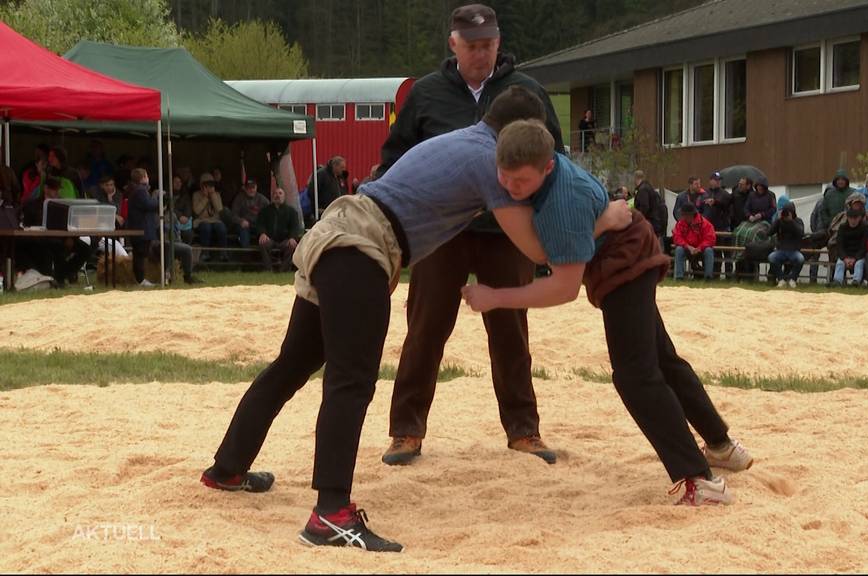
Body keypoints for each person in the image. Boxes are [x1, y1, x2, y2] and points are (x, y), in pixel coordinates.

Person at [200, 87, 613, 553]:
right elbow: (536, 250)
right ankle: (331, 514)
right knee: (350, 382)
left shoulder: (464, 140)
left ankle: (228, 468)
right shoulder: (489, 161)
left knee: (293, 363)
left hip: (338, 230)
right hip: (361, 247)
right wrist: (602, 220)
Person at [462, 119, 753, 508]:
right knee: (662, 360)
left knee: (635, 376)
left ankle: (700, 481)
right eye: (505, 177)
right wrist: (598, 223)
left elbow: (563, 288)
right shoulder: (541, 169)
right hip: (624, 253)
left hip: (623, 265)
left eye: (521, 181)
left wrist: (495, 297)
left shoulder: (561, 203)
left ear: (548, 167)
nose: (510, 187)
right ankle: (720, 446)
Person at [377, 4, 564, 467]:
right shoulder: (425, 94)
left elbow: (554, 159)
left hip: (507, 232)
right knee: (425, 328)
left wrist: (554, 228)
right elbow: (394, 159)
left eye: (488, 45)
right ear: (453, 44)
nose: (481, 54)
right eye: (472, 46)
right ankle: (406, 431)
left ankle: (524, 430)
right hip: (441, 232)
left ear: (499, 43)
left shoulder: (528, 93)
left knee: (511, 331)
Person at [18, 176, 90, 287]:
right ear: (46, 189)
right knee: (53, 247)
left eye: (58, 189)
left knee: (86, 248)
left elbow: (69, 223)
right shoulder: (32, 205)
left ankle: (63, 274)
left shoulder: (63, 205)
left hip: (62, 237)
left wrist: (71, 237)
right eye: (54, 189)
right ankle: (56, 277)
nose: (57, 192)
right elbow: (27, 226)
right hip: (41, 239)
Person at [125, 168, 161, 287]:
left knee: (140, 254)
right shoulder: (140, 191)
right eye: (147, 176)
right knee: (140, 254)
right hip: (141, 228)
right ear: (143, 178)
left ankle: (141, 279)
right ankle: (140, 279)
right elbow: (149, 205)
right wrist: (156, 198)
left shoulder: (136, 190)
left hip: (140, 227)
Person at [255, 187, 304, 272]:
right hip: (270, 239)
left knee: (291, 245)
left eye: (280, 193)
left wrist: (292, 237)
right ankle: (268, 269)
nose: (277, 195)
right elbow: (260, 224)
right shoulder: (265, 211)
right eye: (275, 193)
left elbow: (295, 227)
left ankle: (284, 270)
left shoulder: (291, 212)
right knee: (263, 244)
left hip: (285, 240)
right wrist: (262, 233)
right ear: (272, 196)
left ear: (284, 196)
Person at [671, 203, 715, 281]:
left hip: (701, 249)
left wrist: (699, 248)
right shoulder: (680, 224)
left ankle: (708, 277)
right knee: (679, 250)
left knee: (709, 251)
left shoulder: (705, 223)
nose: (682, 216)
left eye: (683, 214)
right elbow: (676, 237)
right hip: (687, 248)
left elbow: (710, 238)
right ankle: (679, 277)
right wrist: (687, 246)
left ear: (690, 215)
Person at [767, 202, 805, 288]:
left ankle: (793, 279)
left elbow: (801, 234)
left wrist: (791, 222)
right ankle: (781, 279)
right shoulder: (779, 222)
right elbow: (769, 233)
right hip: (781, 250)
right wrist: (777, 221)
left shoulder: (798, 221)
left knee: (801, 259)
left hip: (794, 250)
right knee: (771, 257)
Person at [702, 171, 732, 279]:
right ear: (710, 181)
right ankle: (715, 274)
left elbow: (726, 205)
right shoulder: (705, 193)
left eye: (719, 180)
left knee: (727, 252)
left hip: (722, 227)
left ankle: (729, 275)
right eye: (715, 180)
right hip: (708, 227)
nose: (718, 182)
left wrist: (715, 202)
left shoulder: (725, 194)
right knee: (715, 252)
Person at [193, 174, 229, 262]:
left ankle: (223, 253)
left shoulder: (217, 194)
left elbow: (219, 209)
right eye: (207, 185)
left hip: (215, 220)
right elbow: (197, 211)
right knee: (206, 227)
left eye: (211, 185)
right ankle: (205, 253)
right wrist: (205, 197)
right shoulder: (196, 195)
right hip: (202, 220)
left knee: (222, 228)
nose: (209, 187)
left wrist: (213, 196)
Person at [833, 207, 868, 286]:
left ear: (859, 218)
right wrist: (845, 258)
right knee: (840, 263)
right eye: (851, 218)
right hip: (846, 254)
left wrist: (855, 258)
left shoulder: (865, 228)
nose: (853, 220)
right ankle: (837, 281)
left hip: (860, 255)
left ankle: (856, 281)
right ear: (847, 217)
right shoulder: (842, 227)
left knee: (859, 264)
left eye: (855, 218)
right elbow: (839, 245)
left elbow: (864, 246)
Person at [232, 179, 270, 248]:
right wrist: (241, 221)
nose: (251, 190)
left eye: (253, 188)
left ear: (256, 188)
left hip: (258, 225)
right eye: (249, 188)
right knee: (244, 243)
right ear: (245, 189)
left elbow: (271, 211)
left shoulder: (262, 199)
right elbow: (233, 215)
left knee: (265, 240)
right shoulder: (239, 198)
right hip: (245, 225)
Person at [633, 170, 667, 242]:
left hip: (651, 222)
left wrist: (639, 219)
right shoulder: (649, 188)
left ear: (635, 178)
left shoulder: (643, 190)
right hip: (657, 221)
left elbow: (644, 207)